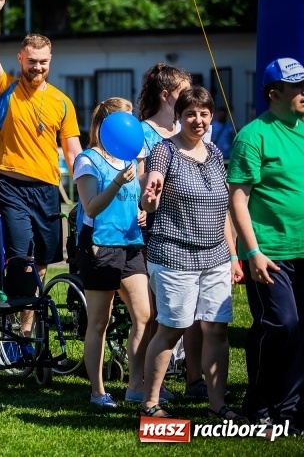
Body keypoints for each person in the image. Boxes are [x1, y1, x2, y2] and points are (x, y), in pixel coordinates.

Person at [140, 86, 243, 420]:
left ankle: (217, 405)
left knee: (217, 328)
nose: (197, 120)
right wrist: (151, 195)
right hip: (174, 255)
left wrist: (232, 256)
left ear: (211, 116)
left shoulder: (214, 153)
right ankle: (151, 403)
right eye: (190, 114)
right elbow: (150, 192)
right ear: (178, 116)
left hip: (214, 257)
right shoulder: (163, 151)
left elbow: (223, 209)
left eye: (203, 113)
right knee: (172, 329)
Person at [0, 0, 81, 279]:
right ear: (20, 58)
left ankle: (28, 325)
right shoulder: (4, 89)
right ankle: (15, 313)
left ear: (51, 61)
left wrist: (88, 193)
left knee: (44, 259)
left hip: (47, 188)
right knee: (20, 256)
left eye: (43, 62)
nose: (37, 67)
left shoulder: (62, 102)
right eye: (32, 61)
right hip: (12, 186)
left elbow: (73, 152)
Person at [228, 58, 304, 432]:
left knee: (299, 330)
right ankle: (257, 404)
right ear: (275, 94)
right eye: (297, 87)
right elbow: (238, 199)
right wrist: (252, 251)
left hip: (302, 247)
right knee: (281, 325)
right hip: (270, 252)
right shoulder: (253, 136)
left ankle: (289, 411)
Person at [136, 63, 209, 402]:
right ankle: (147, 386)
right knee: (159, 317)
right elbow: (138, 179)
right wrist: (145, 200)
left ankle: (195, 380)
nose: (192, 101)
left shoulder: (195, 135)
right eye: (184, 92)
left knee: (194, 315)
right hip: (156, 236)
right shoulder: (144, 134)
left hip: (196, 236)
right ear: (167, 96)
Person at [73, 98, 151, 408]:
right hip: (100, 247)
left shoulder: (130, 159)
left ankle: (135, 386)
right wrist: (118, 181)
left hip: (131, 244)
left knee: (145, 316)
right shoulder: (88, 159)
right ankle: (97, 392)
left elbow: (131, 203)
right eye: (126, 118)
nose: (132, 125)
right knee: (99, 323)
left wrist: (142, 211)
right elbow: (91, 206)